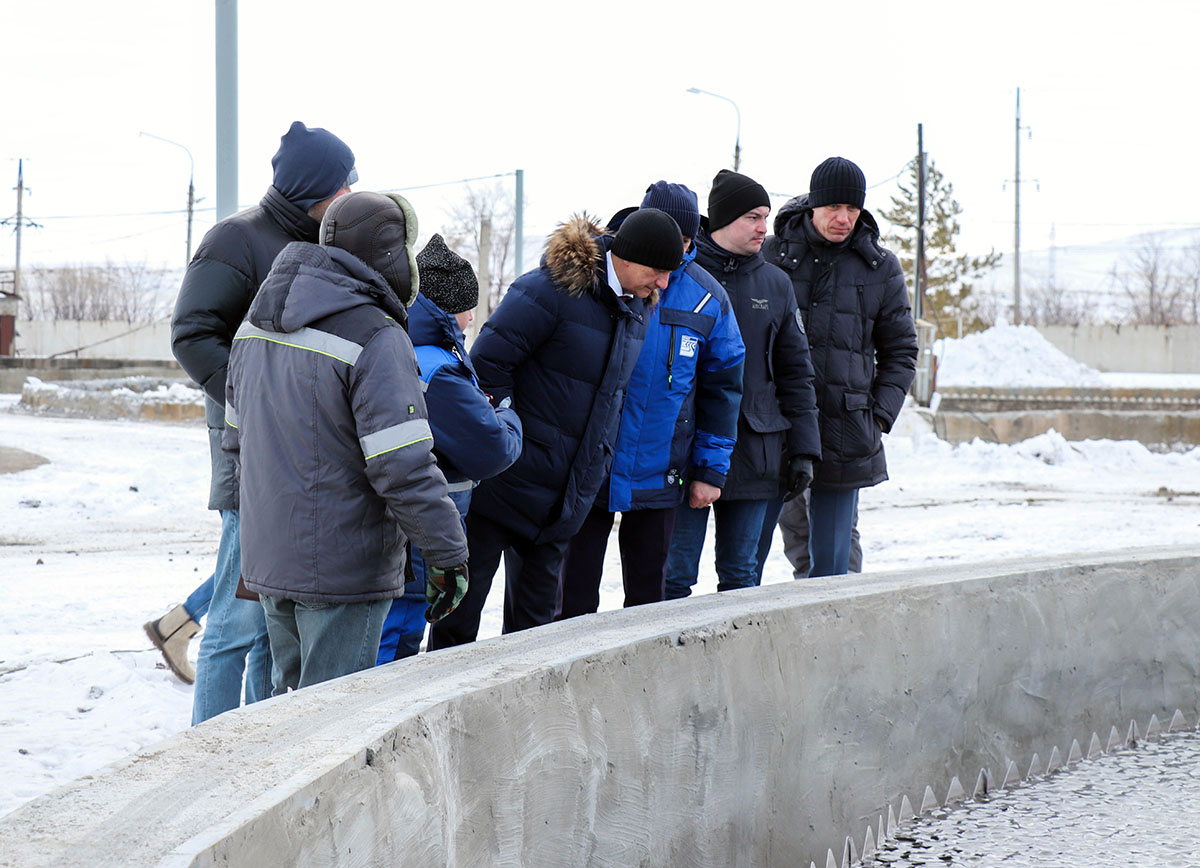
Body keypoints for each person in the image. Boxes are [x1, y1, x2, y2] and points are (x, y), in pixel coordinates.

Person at [224, 191, 469, 693]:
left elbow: (236, 447)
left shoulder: (253, 325)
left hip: (271, 562)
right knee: (329, 728)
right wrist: (448, 553)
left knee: (286, 712)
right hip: (343, 573)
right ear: (391, 257)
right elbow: (402, 466)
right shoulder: (375, 335)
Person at [161, 121, 355, 721]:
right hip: (249, 444)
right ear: (315, 186)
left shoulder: (323, 243)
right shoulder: (237, 240)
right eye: (345, 181)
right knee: (238, 614)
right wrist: (254, 402)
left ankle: (258, 739)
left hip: (301, 444)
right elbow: (192, 334)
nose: (352, 191)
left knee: (277, 615)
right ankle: (211, 749)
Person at [429, 208, 682, 647]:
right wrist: (509, 441)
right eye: (656, 270)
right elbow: (486, 368)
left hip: (562, 504)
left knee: (534, 640)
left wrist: (594, 466)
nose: (662, 284)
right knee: (457, 628)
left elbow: (609, 399)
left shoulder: (637, 309)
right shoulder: (549, 290)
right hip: (501, 489)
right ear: (625, 256)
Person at [557, 182, 744, 618]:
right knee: (571, 601)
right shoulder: (596, 275)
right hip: (589, 468)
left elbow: (723, 389)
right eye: (665, 236)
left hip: (661, 471)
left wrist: (711, 469)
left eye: (684, 240)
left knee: (648, 605)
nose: (674, 251)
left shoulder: (707, 297)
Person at [664, 170, 821, 598]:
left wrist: (804, 449)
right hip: (685, 451)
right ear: (722, 219)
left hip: (758, 452)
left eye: (765, 217)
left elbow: (796, 372)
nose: (762, 228)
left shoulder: (775, 283)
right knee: (672, 578)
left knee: (742, 579)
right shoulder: (681, 276)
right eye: (752, 216)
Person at [762, 157, 917, 576]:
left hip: (845, 426)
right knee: (794, 535)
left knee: (835, 554)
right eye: (834, 208)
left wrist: (877, 416)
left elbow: (901, 351)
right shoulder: (773, 255)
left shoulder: (880, 267)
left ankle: (840, 628)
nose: (843, 219)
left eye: (852, 209)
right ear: (814, 205)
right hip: (779, 423)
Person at [375, 234, 522, 664]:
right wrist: (508, 414)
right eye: (465, 307)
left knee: (398, 623)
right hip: (427, 520)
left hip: (411, 516)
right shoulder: (437, 368)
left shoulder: (411, 347)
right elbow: (491, 448)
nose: (471, 317)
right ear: (443, 308)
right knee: (401, 629)